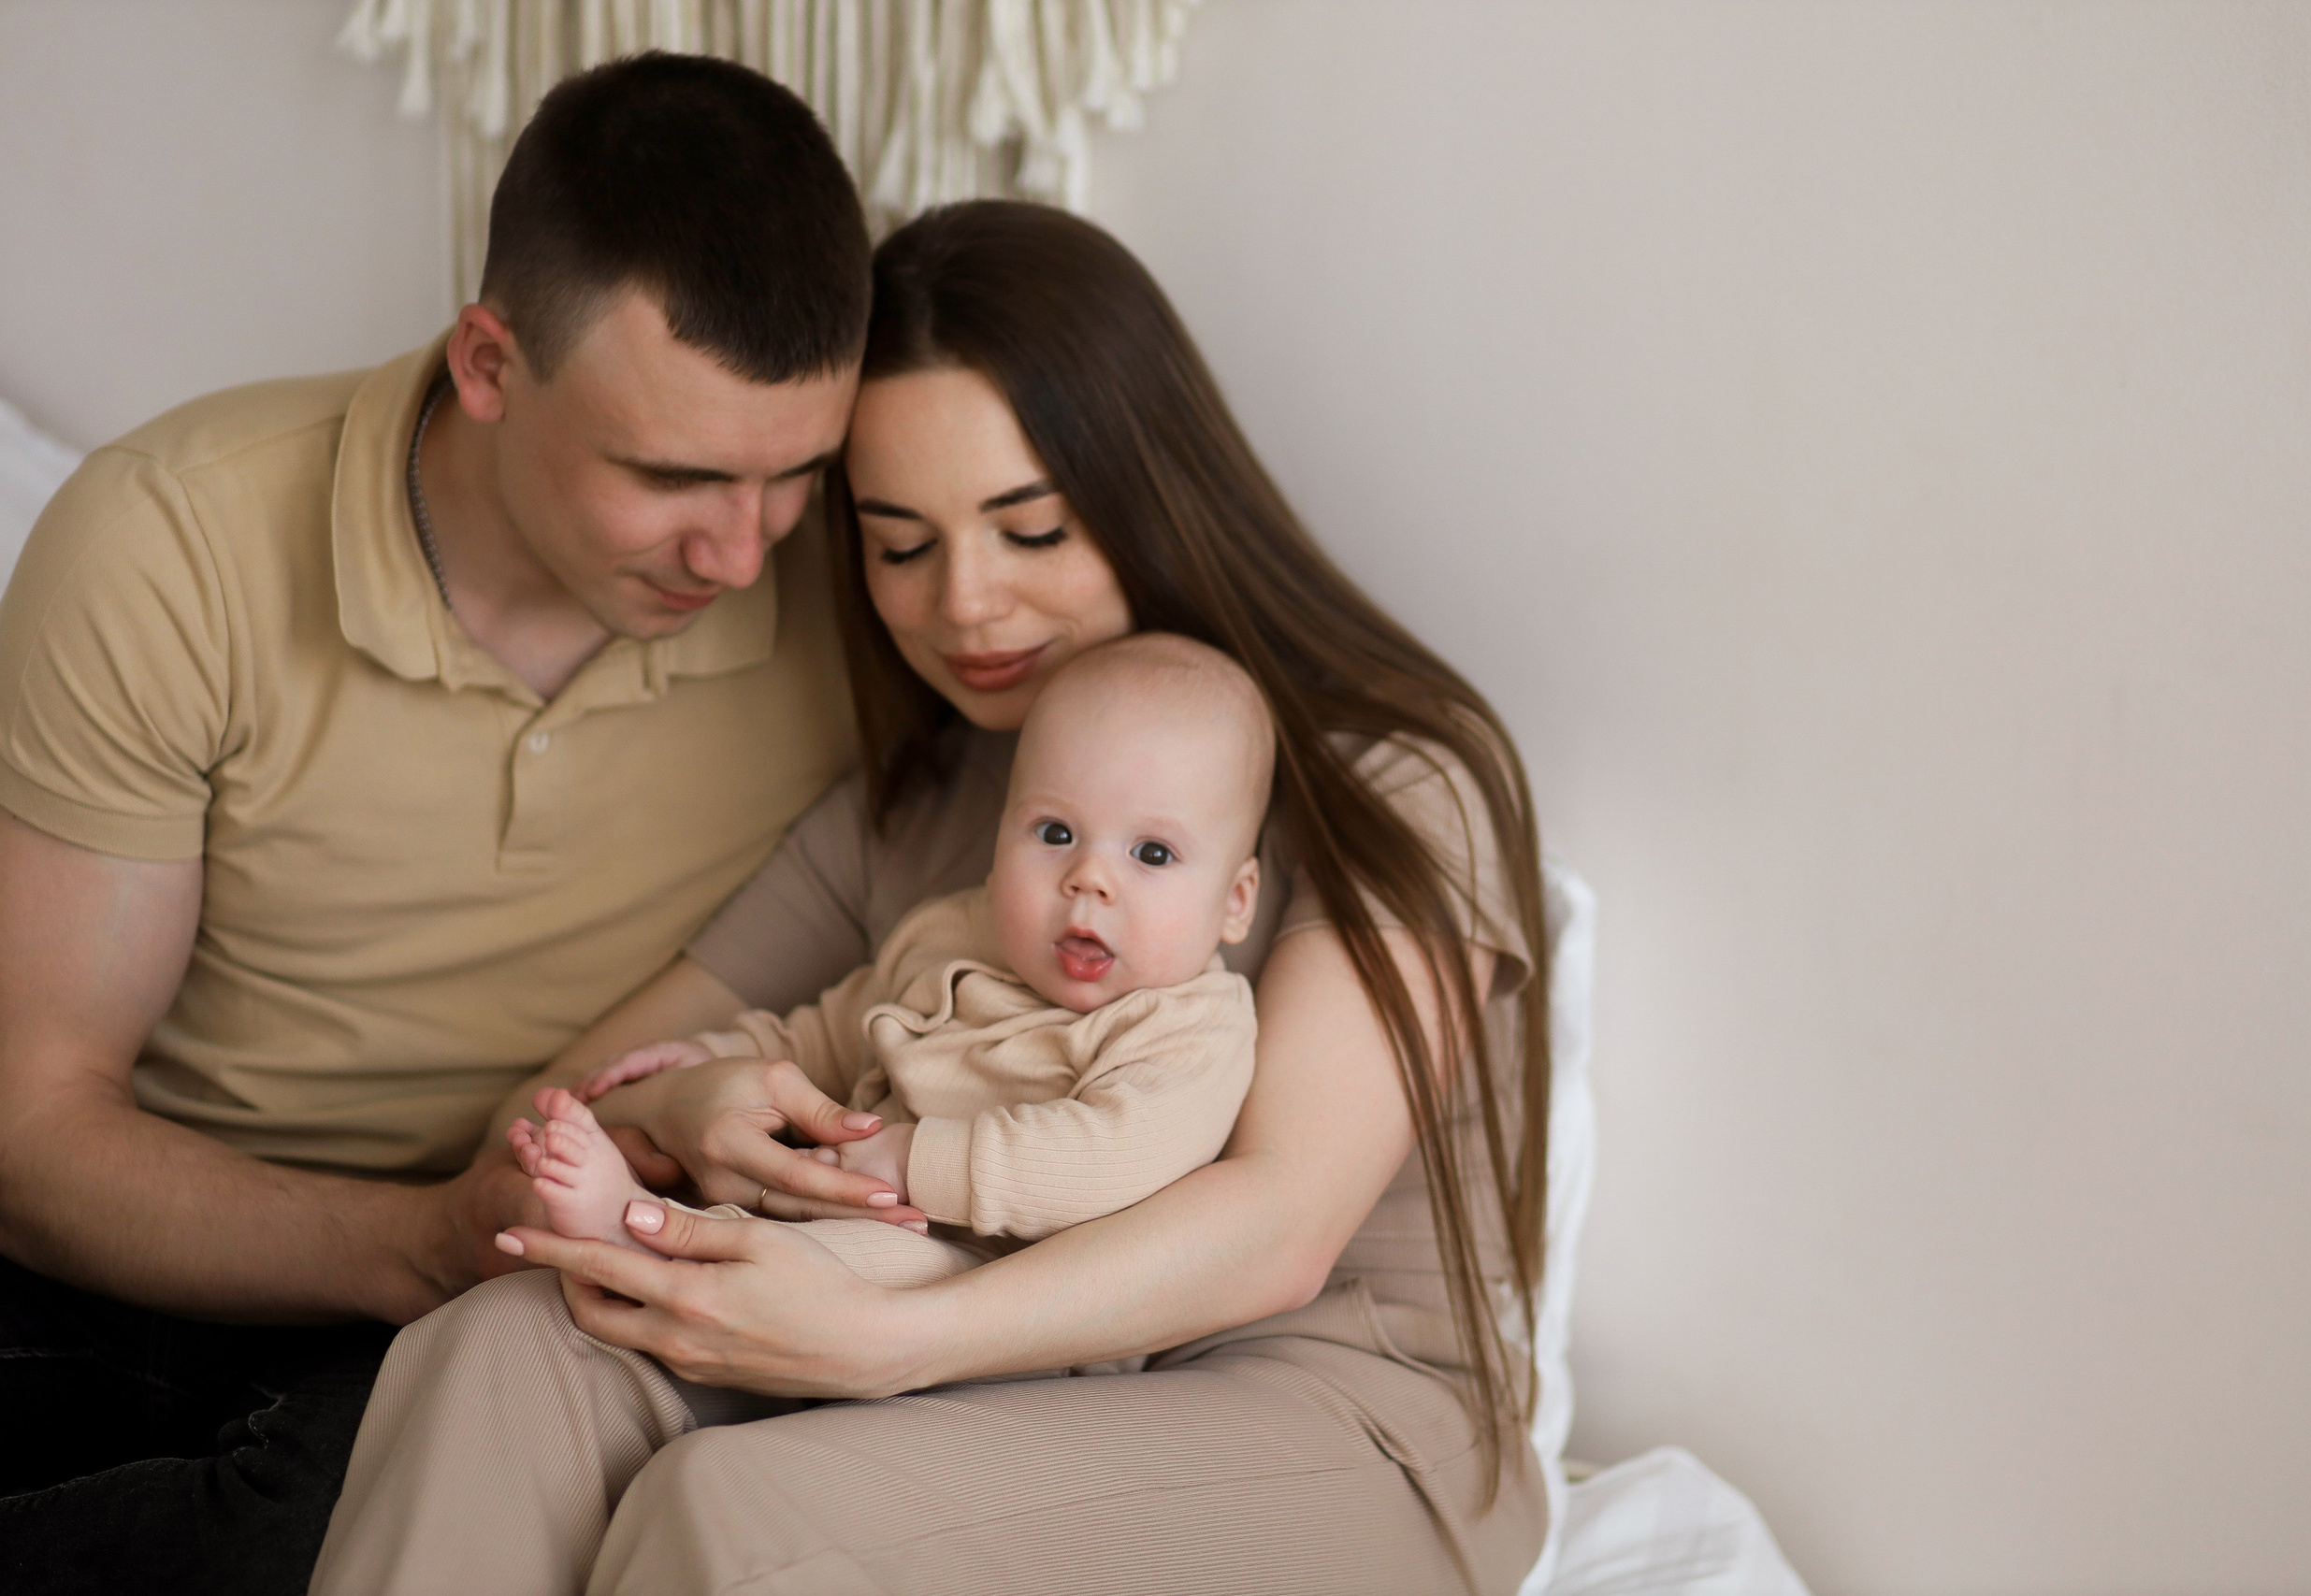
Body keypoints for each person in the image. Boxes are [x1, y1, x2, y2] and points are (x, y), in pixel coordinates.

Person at [308, 200, 1555, 1596]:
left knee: (746, 1512)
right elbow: (548, 1105)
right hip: (994, 1373)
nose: (966, 604)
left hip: (1323, 1408)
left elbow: (1281, 1224)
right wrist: (683, 1109)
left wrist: (889, 1337)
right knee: (508, 1347)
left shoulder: (1394, 777)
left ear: (1148, 489)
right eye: (902, 545)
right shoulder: (922, 803)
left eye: (1030, 530)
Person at [0, 55, 892, 1596]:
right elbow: (36, 1132)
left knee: (316, 1526)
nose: (743, 552)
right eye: (671, 474)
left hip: (501, 1295)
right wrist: (415, 1231)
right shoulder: (170, 542)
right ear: (488, 362)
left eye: (794, 476)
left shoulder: (875, 587)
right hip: (166, 1230)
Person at [507, 632, 1270, 1288]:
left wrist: (911, 1158)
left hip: (1004, 1286)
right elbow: (834, 1035)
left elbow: (1107, 1154)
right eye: (1055, 833)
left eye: (1153, 852)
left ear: (1235, 901)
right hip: (877, 1220)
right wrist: (712, 1056)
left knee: (847, 1257)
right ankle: (647, 1227)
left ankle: (640, 1238)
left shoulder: (1192, 1025)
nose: (1089, 878)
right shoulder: (954, 934)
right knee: (797, 1218)